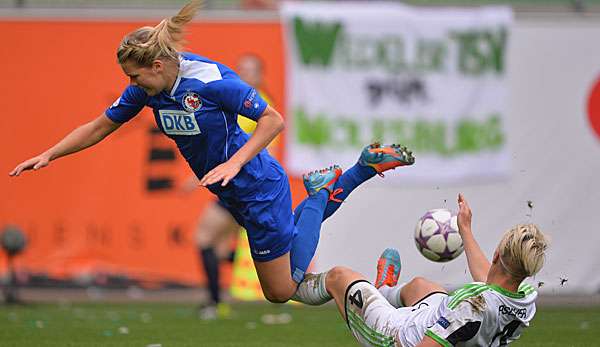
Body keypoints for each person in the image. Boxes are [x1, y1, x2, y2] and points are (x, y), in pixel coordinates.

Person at [8, 0, 415, 305]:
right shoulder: (147, 90)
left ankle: (323, 192)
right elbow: (99, 126)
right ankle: (359, 180)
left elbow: (273, 120)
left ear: (156, 65)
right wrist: (50, 154)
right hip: (234, 191)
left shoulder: (211, 80)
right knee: (293, 275)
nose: (129, 83)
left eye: (133, 75)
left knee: (281, 291)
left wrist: (235, 162)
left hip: (256, 186)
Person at [294, 194, 548, 346]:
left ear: (496, 255)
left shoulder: (470, 306)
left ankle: (288, 284)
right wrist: (465, 229)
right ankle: (382, 290)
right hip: (445, 319)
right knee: (420, 285)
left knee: (340, 276)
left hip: (395, 335)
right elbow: (489, 282)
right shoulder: (525, 297)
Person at [184, 53, 278, 319]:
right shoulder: (247, 102)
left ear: (260, 75)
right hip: (244, 183)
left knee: (204, 238)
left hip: (242, 183)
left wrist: (197, 177)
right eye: (241, 69)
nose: (244, 74)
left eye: (250, 70)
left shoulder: (253, 106)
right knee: (222, 248)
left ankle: (215, 302)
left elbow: (233, 148)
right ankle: (219, 300)